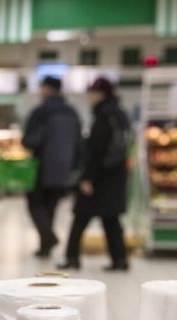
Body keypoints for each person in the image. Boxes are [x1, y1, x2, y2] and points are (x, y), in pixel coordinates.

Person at [58, 77, 132, 272]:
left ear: (102, 94)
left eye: (92, 92)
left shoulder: (103, 117)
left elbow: (96, 152)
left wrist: (87, 178)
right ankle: (120, 259)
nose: (89, 96)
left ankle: (72, 258)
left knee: (80, 217)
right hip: (115, 177)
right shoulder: (119, 115)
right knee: (111, 220)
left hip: (100, 179)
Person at [22, 76, 82, 257]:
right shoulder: (72, 112)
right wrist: (74, 167)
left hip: (42, 167)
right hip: (64, 169)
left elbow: (29, 140)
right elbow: (79, 143)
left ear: (48, 89)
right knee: (51, 206)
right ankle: (45, 247)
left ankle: (48, 238)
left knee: (34, 203)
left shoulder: (41, 111)